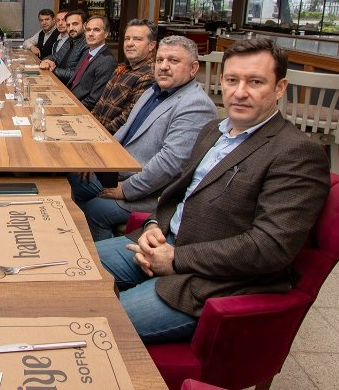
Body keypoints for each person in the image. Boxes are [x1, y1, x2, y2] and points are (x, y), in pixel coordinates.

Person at [96, 37, 330, 344]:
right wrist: (154, 226)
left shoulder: (296, 152)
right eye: (232, 80)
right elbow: (177, 194)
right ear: (221, 82)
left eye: (255, 82)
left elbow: (270, 247)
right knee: (70, 267)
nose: (240, 92)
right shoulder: (212, 131)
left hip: (212, 280)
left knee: (100, 320)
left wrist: (176, 258)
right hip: (163, 243)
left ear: (279, 88)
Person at [69, 36, 217, 241]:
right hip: (118, 170)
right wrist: (98, 159)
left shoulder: (195, 105)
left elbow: (169, 164)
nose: (163, 67)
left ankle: (100, 254)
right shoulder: (153, 91)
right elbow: (125, 130)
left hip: (150, 191)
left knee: (96, 209)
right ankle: (75, 232)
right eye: (160, 60)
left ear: (193, 68)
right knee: (72, 173)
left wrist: (125, 190)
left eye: (173, 61)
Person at [92, 19, 157, 134]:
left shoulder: (149, 76)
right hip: (95, 127)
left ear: (151, 45)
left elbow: (128, 118)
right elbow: (101, 102)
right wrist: (89, 121)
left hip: (110, 137)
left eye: (137, 39)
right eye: (127, 39)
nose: (129, 44)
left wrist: (98, 132)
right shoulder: (123, 67)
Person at [66, 15, 117, 110]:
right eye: (88, 30)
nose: (91, 34)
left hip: (79, 109)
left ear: (106, 34)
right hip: (69, 98)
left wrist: (70, 108)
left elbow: (93, 100)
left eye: (96, 30)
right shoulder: (87, 53)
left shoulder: (107, 61)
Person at [39, 10, 89, 80]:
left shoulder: (87, 45)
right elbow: (55, 56)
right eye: (68, 25)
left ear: (84, 26)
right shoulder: (70, 40)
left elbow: (77, 75)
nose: (71, 28)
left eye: (75, 24)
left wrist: (53, 69)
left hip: (68, 86)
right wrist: (46, 61)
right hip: (59, 81)